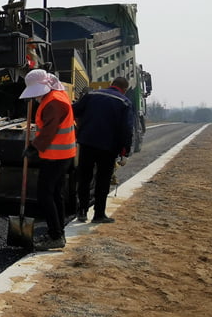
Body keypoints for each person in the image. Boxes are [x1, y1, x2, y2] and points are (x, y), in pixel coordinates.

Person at [19, 69, 77, 251]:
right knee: (56, 194)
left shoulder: (54, 103)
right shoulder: (56, 95)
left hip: (56, 157)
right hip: (60, 155)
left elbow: (50, 130)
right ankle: (58, 231)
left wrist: (33, 147)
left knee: (45, 194)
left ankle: (55, 235)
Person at [72, 76, 134, 223]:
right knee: (103, 180)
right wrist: (125, 152)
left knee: (84, 178)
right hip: (108, 147)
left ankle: (82, 211)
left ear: (112, 84)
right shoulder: (124, 102)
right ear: (124, 89)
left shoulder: (92, 95)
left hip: (87, 143)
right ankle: (98, 214)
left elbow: (74, 110)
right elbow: (127, 129)